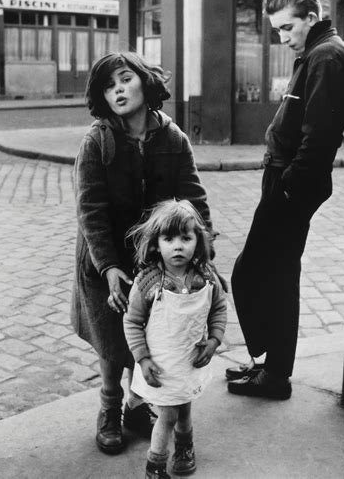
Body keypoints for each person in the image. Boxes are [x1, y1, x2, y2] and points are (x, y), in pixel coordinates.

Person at [71, 51, 214, 455]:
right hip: (104, 261)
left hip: (153, 261)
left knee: (147, 334)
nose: (117, 89)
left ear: (144, 82)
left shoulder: (174, 139)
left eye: (124, 79)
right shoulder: (97, 141)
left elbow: (195, 202)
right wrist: (109, 267)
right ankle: (109, 408)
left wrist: (205, 253)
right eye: (107, 85)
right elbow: (90, 211)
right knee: (111, 341)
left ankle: (136, 406)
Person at [226, 0, 344, 399]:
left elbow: (319, 139)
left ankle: (275, 373)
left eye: (286, 28)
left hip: (290, 181)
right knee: (273, 274)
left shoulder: (326, 56)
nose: (281, 38)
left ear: (311, 18)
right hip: (284, 178)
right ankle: (270, 366)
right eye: (277, 29)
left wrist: (287, 190)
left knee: (255, 274)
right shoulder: (315, 52)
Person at [124, 199, 227, 478]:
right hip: (160, 365)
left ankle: (184, 447)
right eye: (169, 238)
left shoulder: (205, 278)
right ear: (157, 244)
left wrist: (214, 340)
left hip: (190, 360)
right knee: (167, 415)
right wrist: (142, 359)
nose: (178, 245)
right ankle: (155, 466)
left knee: (184, 407)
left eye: (186, 237)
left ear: (198, 241)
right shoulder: (148, 282)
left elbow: (218, 309)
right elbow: (132, 321)